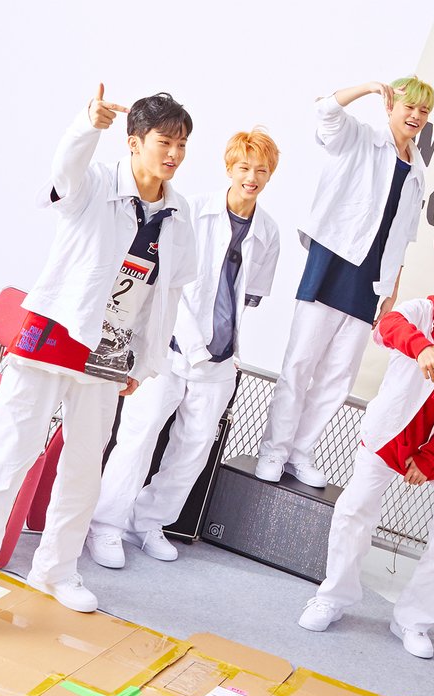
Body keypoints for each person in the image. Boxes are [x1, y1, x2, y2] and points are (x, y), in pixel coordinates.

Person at [0, 85, 197, 647]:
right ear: (134, 142)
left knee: (82, 470)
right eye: (164, 142)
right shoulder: (95, 183)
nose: (173, 154)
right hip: (52, 339)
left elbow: (166, 294)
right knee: (3, 462)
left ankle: (56, 568)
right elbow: (64, 170)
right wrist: (86, 125)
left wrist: (145, 362)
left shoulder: (178, 213)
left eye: (181, 144)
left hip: (108, 355)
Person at [86, 128, 281, 567]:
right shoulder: (193, 212)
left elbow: (247, 296)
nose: (252, 178)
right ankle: (106, 525)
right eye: (244, 168)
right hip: (169, 348)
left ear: (270, 175)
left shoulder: (268, 232)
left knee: (194, 448)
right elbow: (175, 284)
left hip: (220, 359)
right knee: (138, 436)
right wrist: (193, 343)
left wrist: (219, 351)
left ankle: (147, 522)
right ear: (229, 168)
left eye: (261, 171)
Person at [297, 258, 434, 659]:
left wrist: (430, 459)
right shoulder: (419, 312)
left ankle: (413, 619)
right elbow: (388, 327)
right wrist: (422, 347)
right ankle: (332, 598)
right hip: (391, 433)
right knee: (354, 509)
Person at [254, 76, 433, 488]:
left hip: (372, 279)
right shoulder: (361, 137)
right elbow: (326, 110)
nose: (416, 116)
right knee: (300, 363)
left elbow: (402, 236)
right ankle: (274, 451)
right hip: (332, 259)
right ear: (390, 105)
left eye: (424, 111)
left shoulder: (418, 171)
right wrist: (369, 87)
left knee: (338, 376)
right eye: (409, 106)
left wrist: (391, 289)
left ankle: (300, 453)